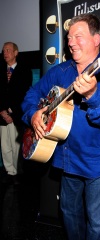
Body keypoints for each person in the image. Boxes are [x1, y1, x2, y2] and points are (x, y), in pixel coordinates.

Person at [21, 13, 100, 240]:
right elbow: (32, 94)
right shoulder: (59, 72)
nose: (70, 42)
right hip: (67, 158)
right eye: (69, 37)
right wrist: (33, 115)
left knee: (97, 224)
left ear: (96, 40)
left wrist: (93, 94)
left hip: (99, 162)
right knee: (68, 212)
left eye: (77, 36)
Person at [0, 42, 32, 184]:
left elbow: (24, 94)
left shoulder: (25, 70)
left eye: (8, 50)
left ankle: (18, 173)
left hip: (16, 115)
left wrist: (10, 111)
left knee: (16, 146)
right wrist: (2, 111)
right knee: (5, 146)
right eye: (3, 50)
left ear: (16, 52)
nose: (5, 53)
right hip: (2, 116)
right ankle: (9, 172)